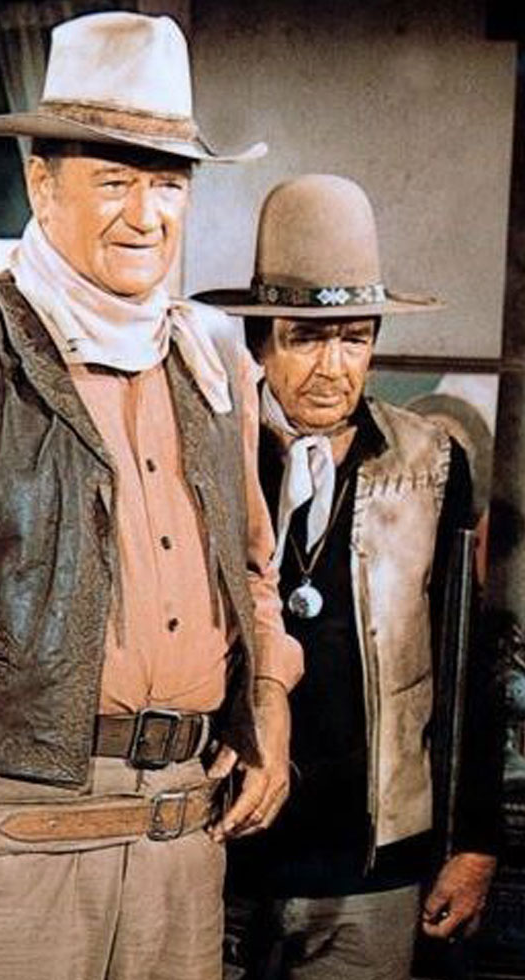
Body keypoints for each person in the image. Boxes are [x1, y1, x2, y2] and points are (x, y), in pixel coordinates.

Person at [0, 12, 302, 980]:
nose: (145, 215)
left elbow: (252, 572)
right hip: (6, 838)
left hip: (181, 835)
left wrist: (268, 704)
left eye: (168, 183)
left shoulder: (212, 363)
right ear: (42, 184)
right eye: (114, 181)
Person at [196, 174, 500, 980]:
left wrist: (475, 840)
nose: (333, 368)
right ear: (261, 341)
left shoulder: (431, 461)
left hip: (370, 862)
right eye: (306, 338)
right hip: (217, 848)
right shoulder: (207, 451)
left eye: (355, 339)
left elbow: (466, 660)